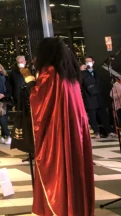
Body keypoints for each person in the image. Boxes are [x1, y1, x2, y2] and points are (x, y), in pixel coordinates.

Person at [30, 38, 94, 216]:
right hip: (74, 129)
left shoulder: (50, 72)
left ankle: (61, 208)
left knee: (57, 167)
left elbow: (40, 101)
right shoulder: (69, 73)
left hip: (58, 130)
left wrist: (29, 79)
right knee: (75, 168)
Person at [80, 55, 113, 138]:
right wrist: (80, 71)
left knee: (103, 115)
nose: (88, 63)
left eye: (89, 61)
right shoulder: (82, 73)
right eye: (86, 61)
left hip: (99, 98)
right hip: (89, 98)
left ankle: (109, 131)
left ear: (93, 62)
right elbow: (79, 82)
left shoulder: (96, 72)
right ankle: (96, 132)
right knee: (92, 116)